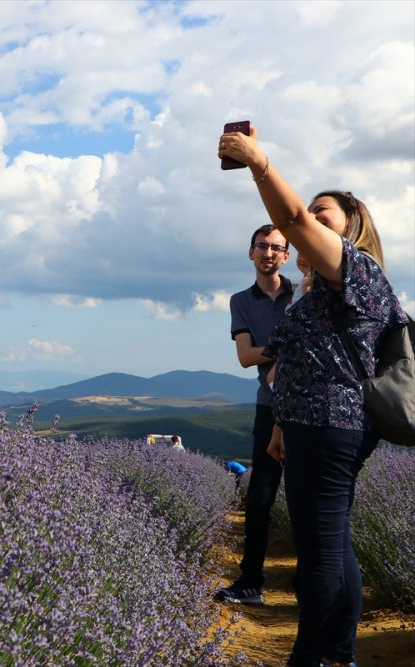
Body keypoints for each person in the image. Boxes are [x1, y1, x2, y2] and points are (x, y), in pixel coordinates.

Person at [219, 127, 409, 667]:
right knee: (333, 543)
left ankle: (309, 657)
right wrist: (280, 425)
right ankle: (338, 655)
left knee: (320, 551)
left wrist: (259, 163)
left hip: (331, 424)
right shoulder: (314, 294)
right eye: (315, 211)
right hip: (308, 424)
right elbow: (291, 364)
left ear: (352, 228)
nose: (311, 216)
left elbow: (293, 220)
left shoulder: (356, 271)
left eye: (325, 213)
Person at [216, 223, 294, 606]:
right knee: (260, 498)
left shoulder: (303, 293)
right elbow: (246, 358)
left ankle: (310, 582)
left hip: (307, 407)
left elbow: (255, 351)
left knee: (309, 499)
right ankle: (250, 583)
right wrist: (292, 347)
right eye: (261, 246)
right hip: (269, 406)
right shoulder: (240, 301)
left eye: (275, 248)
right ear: (251, 253)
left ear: (286, 255)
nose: (268, 253)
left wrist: (271, 349)